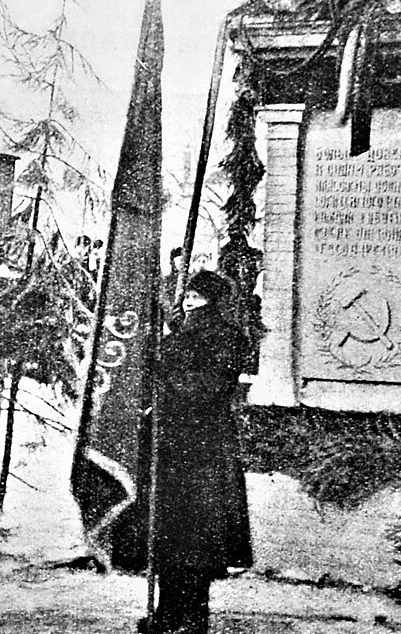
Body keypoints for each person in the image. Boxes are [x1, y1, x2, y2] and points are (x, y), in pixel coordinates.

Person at [144, 269, 253, 634]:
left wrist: (166, 374)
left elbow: (209, 387)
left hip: (204, 447)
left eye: (195, 295)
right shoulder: (180, 334)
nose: (188, 300)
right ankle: (167, 612)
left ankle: (192, 618)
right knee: (170, 533)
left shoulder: (226, 337)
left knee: (197, 538)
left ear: (211, 299)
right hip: (175, 445)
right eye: (187, 295)